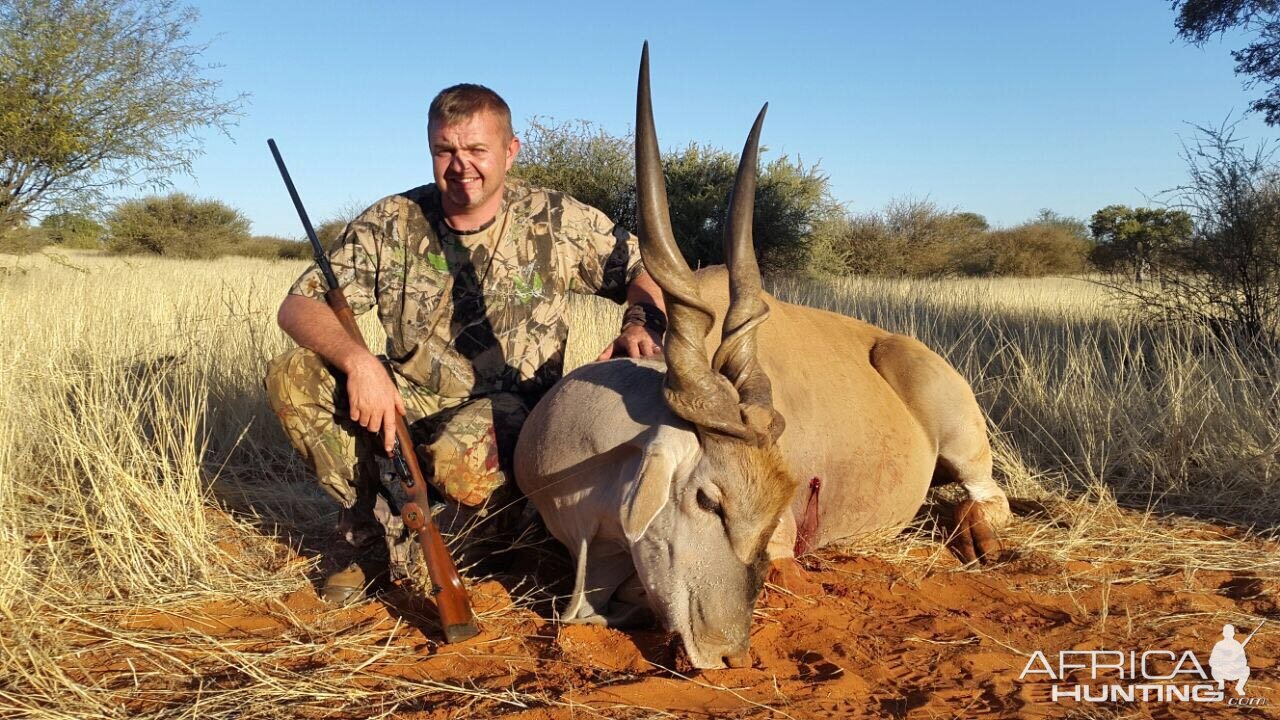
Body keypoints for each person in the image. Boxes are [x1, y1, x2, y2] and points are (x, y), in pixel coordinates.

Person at [265, 83, 666, 605]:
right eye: (444, 151)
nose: (461, 166)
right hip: (406, 395)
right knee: (293, 374)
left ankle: (498, 530)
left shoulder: (559, 219)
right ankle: (363, 539)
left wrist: (642, 322)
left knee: (459, 459)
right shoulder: (390, 220)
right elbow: (298, 305)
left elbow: (644, 271)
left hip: (517, 410)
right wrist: (359, 362)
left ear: (510, 151)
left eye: (477, 150)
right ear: (430, 149)